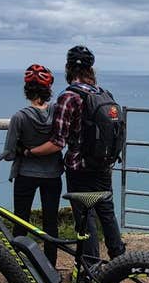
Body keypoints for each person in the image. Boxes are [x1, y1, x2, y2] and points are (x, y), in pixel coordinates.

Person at [27, 46, 125, 259]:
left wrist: (29, 151)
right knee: (106, 211)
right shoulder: (103, 93)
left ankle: (90, 266)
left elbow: (57, 142)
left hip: (79, 168)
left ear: (68, 68)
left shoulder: (69, 96)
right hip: (104, 164)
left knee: (85, 217)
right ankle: (121, 261)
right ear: (91, 69)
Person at [2, 64, 63, 267]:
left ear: (27, 90)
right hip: (53, 175)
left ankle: (20, 266)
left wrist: (24, 150)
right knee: (50, 223)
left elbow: (9, 153)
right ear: (48, 89)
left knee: (21, 221)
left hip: (25, 174)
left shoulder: (19, 117)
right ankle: (49, 266)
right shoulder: (56, 113)